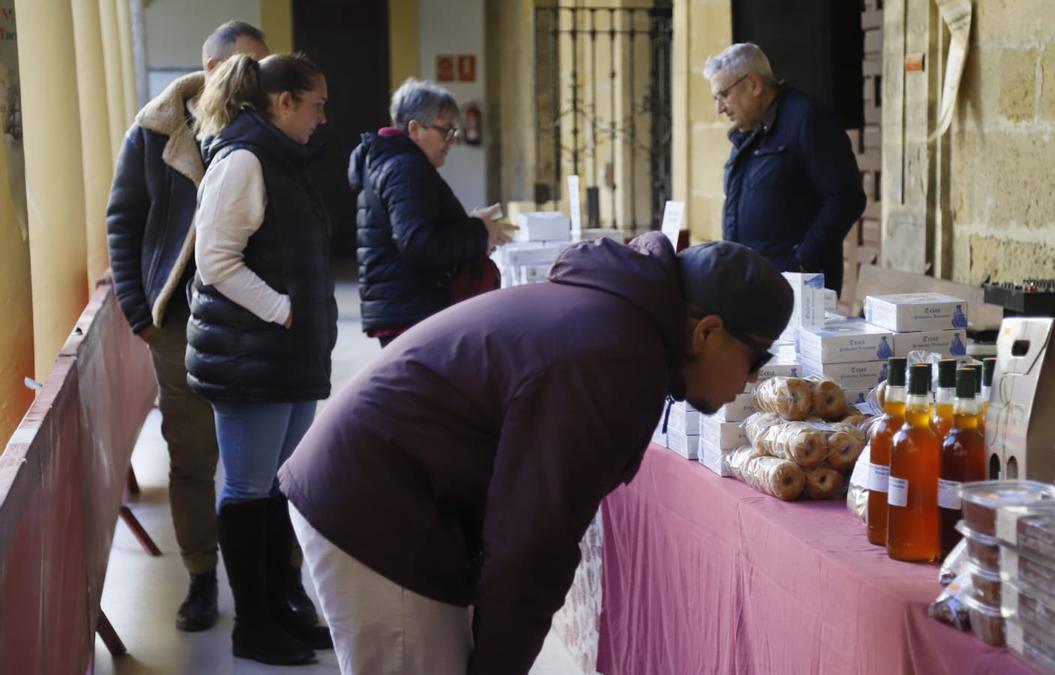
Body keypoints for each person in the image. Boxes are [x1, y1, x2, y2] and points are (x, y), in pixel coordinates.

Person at [279, 234, 793, 674]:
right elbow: (531, 541)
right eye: (758, 356)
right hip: (374, 509)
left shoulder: (619, 322)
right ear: (707, 332)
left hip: (382, 488)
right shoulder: (615, 359)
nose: (754, 378)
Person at [105, 20, 269, 633]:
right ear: (209, 68)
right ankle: (202, 577)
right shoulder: (154, 132)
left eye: (263, 67)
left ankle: (269, 577)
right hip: (178, 317)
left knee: (264, 453)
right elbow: (123, 219)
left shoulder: (267, 129)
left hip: (256, 314)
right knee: (192, 453)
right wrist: (139, 312)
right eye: (243, 68)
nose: (255, 81)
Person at [187, 52, 336, 666]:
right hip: (253, 354)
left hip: (287, 354)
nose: (323, 118)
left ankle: (280, 609)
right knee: (248, 488)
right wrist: (283, 309)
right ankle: (253, 625)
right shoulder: (243, 160)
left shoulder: (281, 159)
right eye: (317, 104)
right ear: (283, 102)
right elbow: (214, 261)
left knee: (276, 487)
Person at [348, 77, 516, 347]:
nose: (452, 140)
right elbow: (419, 244)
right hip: (413, 312)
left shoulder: (393, 162)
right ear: (415, 128)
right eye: (446, 131)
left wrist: (471, 224)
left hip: (406, 307)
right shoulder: (405, 167)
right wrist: (478, 231)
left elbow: (418, 229)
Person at [705, 42, 866, 294]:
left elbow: (846, 198)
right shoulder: (745, 134)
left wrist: (800, 262)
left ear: (753, 84)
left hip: (797, 288)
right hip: (751, 283)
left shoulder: (808, 120)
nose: (719, 108)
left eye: (723, 95)